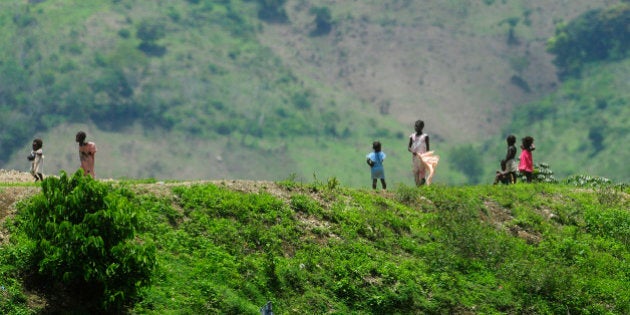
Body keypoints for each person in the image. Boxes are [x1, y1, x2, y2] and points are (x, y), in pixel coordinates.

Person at [408, 120, 439, 186]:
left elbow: (428, 148)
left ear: (422, 127)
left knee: (422, 172)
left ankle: (422, 182)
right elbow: (409, 147)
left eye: (417, 127)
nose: (416, 128)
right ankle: (418, 186)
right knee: (416, 172)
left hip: (423, 157)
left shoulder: (425, 137)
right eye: (415, 126)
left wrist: (427, 158)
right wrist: (412, 151)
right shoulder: (412, 136)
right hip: (415, 157)